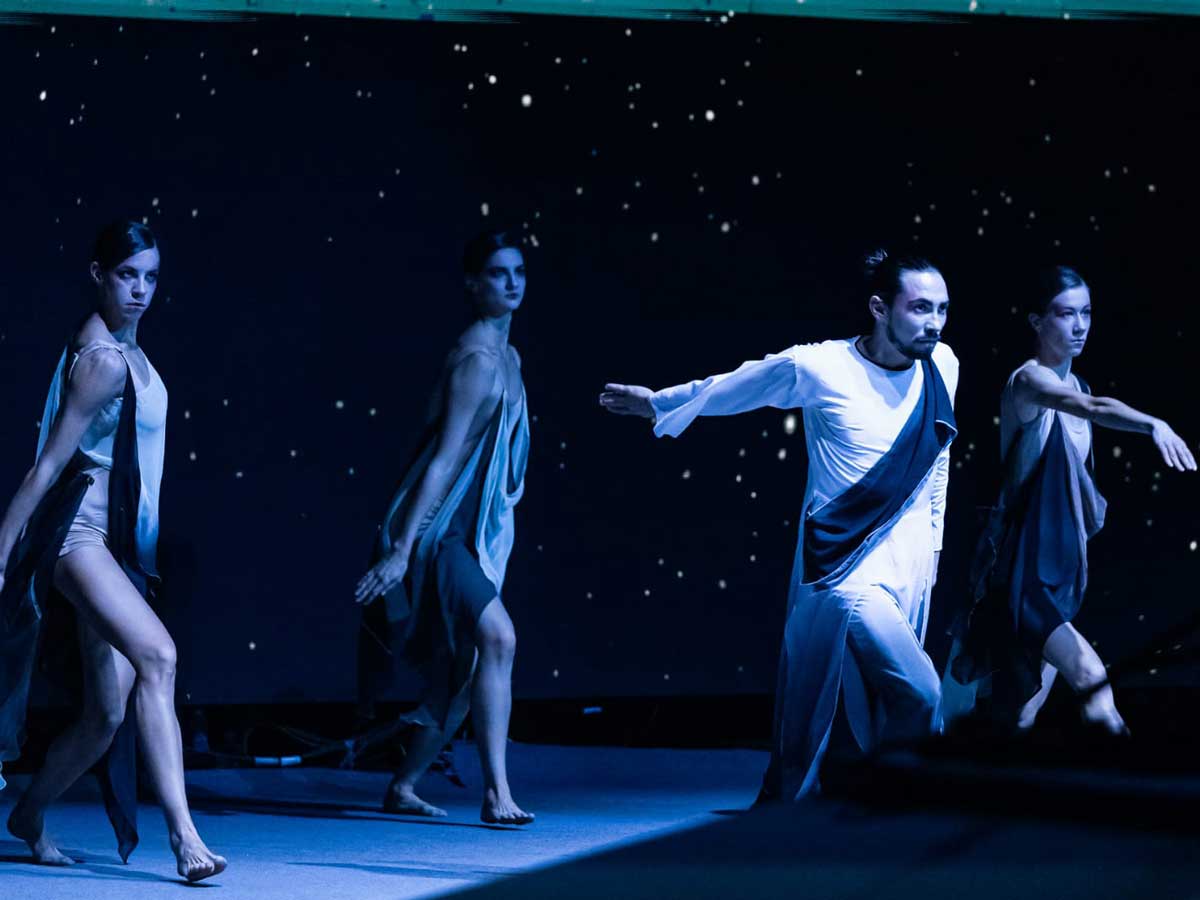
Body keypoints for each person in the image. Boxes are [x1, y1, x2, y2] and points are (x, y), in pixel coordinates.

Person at [600, 250, 958, 800]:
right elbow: (741, 385)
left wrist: (933, 551)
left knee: (879, 705)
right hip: (844, 570)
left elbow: (938, 464)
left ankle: (843, 812)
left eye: (942, 309)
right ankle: (893, 808)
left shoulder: (944, 366)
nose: (934, 323)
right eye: (920, 308)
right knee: (921, 692)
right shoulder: (825, 367)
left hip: (908, 564)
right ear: (879, 308)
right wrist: (660, 405)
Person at [0, 222, 227, 881]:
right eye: (128, 274)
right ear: (98, 274)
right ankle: (185, 837)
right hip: (78, 537)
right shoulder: (101, 360)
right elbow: (46, 466)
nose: (140, 289)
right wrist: (3, 549)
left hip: (118, 548)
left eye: (151, 277)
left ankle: (28, 814)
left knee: (105, 712)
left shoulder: (127, 349)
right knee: (159, 655)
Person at [944, 266, 1195, 733]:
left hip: (1057, 578)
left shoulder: (1079, 385)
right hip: (1022, 579)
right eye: (1065, 314)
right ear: (1037, 321)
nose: (1080, 326)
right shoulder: (1029, 382)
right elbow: (1094, 410)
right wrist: (1153, 424)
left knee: (1020, 717)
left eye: (1087, 313)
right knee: (1091, 678)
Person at [355, 230, 534, 826]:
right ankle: (497, 792)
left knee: (470, 664)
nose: (512, 282)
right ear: (473, 283)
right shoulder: (479, 361)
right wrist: (403, 548)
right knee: (499, 639)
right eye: (498, 273)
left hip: (468, 526)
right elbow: (441, 459)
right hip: (438, 530)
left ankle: (404, 784)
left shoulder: (509, 356)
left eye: (519, 271)